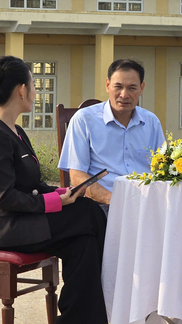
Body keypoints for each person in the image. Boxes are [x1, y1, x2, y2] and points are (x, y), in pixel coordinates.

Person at [0, 55, 107, 324]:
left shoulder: (15, 132)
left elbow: (30, 186)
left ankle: (73, 322)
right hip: (4, 228)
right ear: (21, 89)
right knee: (89, 215)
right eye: (34, 85)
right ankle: (100, 306)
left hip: (25, 221)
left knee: (84, 239)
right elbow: (6, 199)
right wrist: (53, 202)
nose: (36, 91)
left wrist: (63, 192)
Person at [58, 58, 165, 215]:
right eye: (118, 87)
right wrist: (116, 201)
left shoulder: (151, 122)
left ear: (142, 88)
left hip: (148, 204)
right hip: (104, 206)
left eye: (132, 88)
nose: (124, 94)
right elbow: (77, 176)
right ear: (108, 85)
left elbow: (163, 169)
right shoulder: (84, 120)